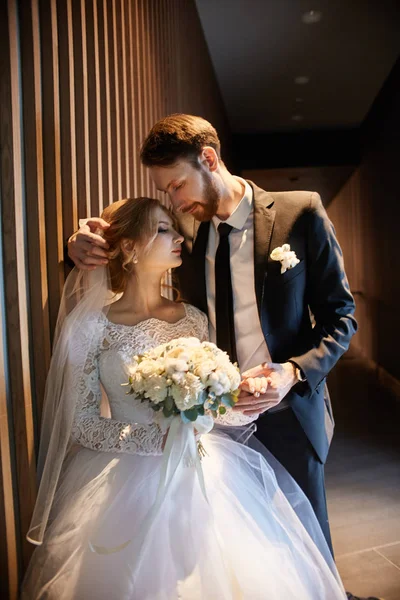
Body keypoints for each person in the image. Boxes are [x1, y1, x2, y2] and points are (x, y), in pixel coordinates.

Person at [22, 197, 347, 599]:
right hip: (121, 480)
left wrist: (240, 401)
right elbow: (83, 422)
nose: (178, 238)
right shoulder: (91, 326)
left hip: (205, 470)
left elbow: (211, 408)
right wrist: (153, 440)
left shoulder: (192, 317)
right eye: (162, 230)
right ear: (128, 247)